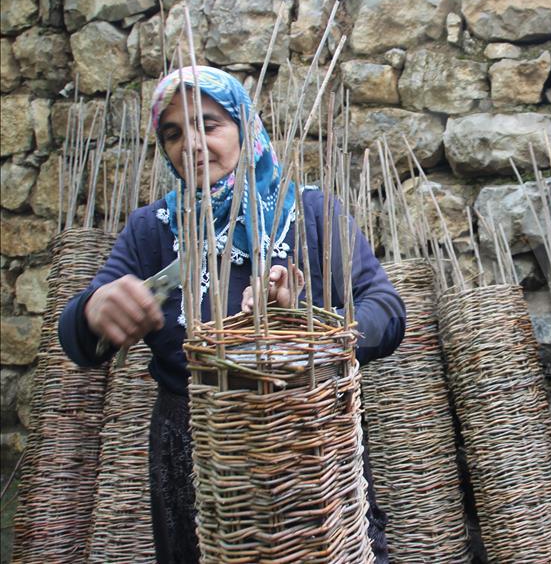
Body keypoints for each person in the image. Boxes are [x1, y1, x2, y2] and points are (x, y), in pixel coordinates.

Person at [58, 66, 405, 563]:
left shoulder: (309, 213)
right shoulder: (153, 230)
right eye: (173, 133)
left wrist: (310, 322)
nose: (191, 145)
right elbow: (78, 340)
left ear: (246, 128)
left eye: (209, 125)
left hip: (307, 441)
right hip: (195, 455)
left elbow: (387, 312)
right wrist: (94, 311)